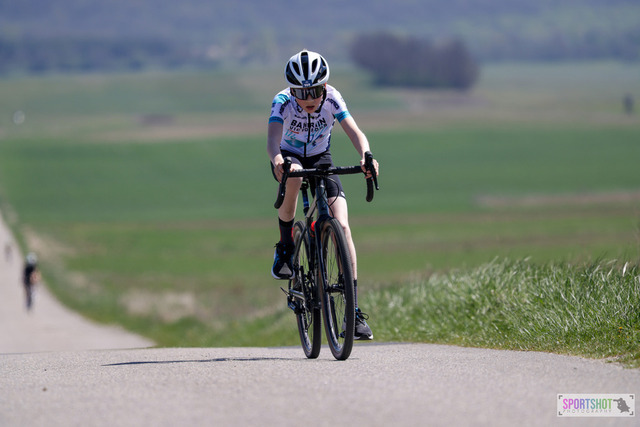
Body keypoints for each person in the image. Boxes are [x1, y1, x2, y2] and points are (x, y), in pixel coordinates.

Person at [267, 50, 379, 340]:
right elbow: (272, 139)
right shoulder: (282, 101)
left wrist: (366, 155)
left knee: (342, 225)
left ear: (325, 87)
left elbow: (355, 131)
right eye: (301, 93)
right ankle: (286, 246)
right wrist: (278, 160)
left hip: (321, 158)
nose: (308, 99)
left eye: (315, 91)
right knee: (294, 176)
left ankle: (353, 311)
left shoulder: (332, 98)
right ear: (291, 90)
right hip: (289, 157)